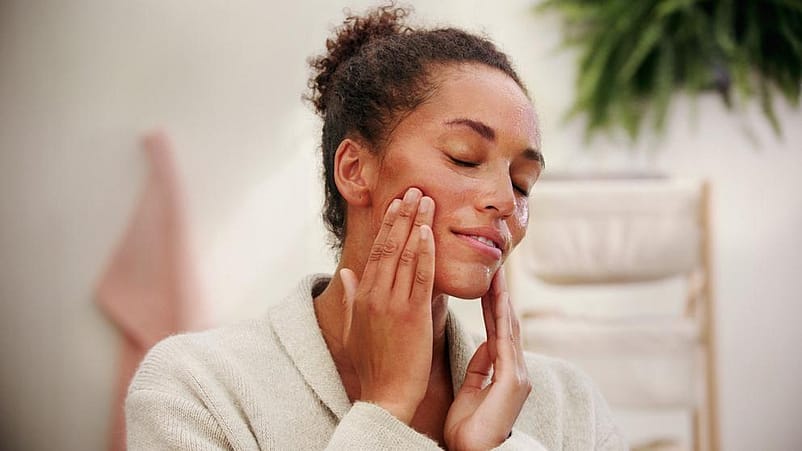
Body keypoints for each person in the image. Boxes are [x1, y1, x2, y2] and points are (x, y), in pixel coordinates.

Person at [126, 5, 626, 450]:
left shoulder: (568, 405)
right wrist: (384, 412)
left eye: (522, 183)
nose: (504, 203)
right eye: (464, 157)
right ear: (354, 169)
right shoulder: (196, 389)